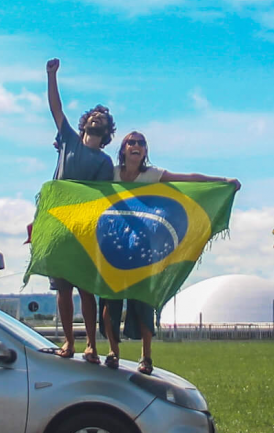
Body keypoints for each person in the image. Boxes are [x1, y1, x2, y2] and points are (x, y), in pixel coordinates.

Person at [100, 130, 240, 373]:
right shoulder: (109, 174)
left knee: (144, 300)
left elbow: (187, 178)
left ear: (145, 151)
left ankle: (146, 356)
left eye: (140, 143)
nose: (135, 146)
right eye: (130, 142)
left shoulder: (151, 176)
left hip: (143, 250)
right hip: (113, 247)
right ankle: (113, 351)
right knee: (109, 301)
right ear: (123, 149)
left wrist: (221, 182)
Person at [45, 57, 115, 363]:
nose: (97, 118)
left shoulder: (104, 162)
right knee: (62, 289)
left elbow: (100, 198)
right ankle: (69, 342)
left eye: (103, 117)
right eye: (94, 115)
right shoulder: (69, 140)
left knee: (87, 289)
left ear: (107, 130)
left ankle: (91, 345)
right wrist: (51, 76)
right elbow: (56, 109)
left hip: (85, 230)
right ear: (85, 122)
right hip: (57, 225)